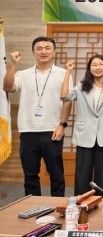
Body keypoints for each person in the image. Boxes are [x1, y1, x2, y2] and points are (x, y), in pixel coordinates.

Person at [2, 36, 72, 197]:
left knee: (56, 175)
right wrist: (12, 64)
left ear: (54, 52)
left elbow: (67, 101)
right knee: (30, 175)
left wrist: (62, 124)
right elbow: (7, 87)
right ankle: (33, 207)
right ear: (33, 52)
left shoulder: (64, 73)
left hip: (52, 131)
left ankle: (58, 206)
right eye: (39, 48)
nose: (43, 51)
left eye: (47, 48)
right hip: (28, 130)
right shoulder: (23, 74)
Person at [61, 55, 103, 196]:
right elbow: (64, 96)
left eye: (101, 64)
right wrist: (68, 72)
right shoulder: (81, 86)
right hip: (84, 136)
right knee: (82, 176)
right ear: (89, 68)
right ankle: (82, 205)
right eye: (94, 65)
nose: (97, 67)